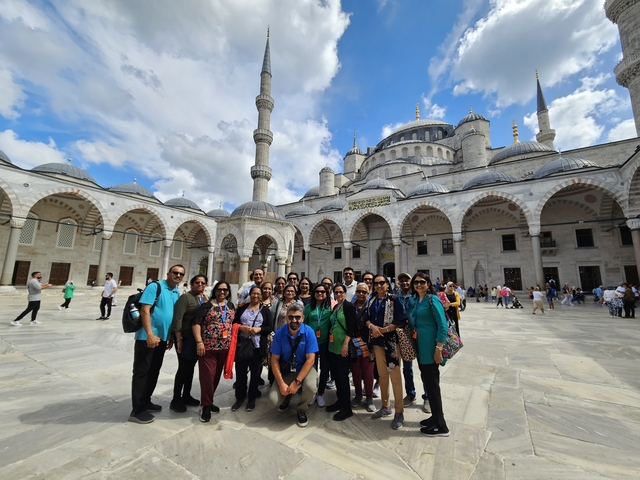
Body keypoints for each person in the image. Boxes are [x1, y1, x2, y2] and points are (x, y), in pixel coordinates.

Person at [129, 264, 184, 424]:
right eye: (175, 273)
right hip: (147, 338)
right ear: (168, 273)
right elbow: (145, 310)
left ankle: (145, 401)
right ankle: (136, 410)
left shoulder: (175, 291)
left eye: (181, 274)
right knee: (142, 372)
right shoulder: (155, 287)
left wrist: (171, 336)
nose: (178, 276)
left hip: (162, 339)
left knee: (154, 371)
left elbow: (171, 315)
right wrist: (150, 334)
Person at [408, 272, 450, 437]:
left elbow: (442, 326)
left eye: (422, 282)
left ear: (428, 283)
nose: (419, 285)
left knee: (432, 386)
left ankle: (441, 426)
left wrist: (438, 349)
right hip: (421, 349)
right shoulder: (417, 300)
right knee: (428, 383)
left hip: (432, 350)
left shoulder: (433, 299)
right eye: (416, 282)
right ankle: (435, 418)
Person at [364, 274, 408, 430]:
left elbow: (402, 319)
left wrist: (387, 329)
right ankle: (385, 406)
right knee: (382, 375)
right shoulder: (372, 300)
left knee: (395, 376)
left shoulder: (394, 299)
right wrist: (373, 328)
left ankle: (399, 411)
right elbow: (366, 318)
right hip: (377, 342)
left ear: (387, 284)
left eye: (381, 283)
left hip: (391, 343)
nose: (378, 285)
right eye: (376, 283)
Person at [268, 303, 319, 428]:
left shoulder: (309, 332)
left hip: (304, 368)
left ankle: (301, 409)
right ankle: (286, 397)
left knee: (311, 387)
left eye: (297, 317)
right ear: (286, 318)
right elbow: (274, 360)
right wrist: (281, 383)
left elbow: (311, 360)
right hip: (287, 369)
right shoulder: (279, 334)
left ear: (302, 318)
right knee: (273, 401)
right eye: (291, 317)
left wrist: (297, 382)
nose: (294, 320)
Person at [193, 281, 234, 422]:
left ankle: (208, 401)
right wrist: (199, 342)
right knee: (207, 377)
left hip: (224, 348)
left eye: (225, 290)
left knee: (216, 376)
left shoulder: (230, 306)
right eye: (219, 289)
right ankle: (205, 405)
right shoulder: (206, 305)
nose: (222, 292)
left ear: (228, 292)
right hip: (208, 347)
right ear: (215, 291)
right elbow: (196, 323)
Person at [170, 274, 208, 413]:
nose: (200, 285)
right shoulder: (185, 298)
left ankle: (186, 395)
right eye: (197, 282)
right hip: (185, 338)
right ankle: (175, 399)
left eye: (203, 283)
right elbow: (178, 319)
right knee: (183, 369)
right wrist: (178, 339)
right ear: (192, 284)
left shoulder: (203, 298)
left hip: (195, 339)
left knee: (190, 368)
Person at [232, 286, 273, 412]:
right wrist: (241, 328)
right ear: (250, 294)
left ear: (261, 296)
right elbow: (234, 323)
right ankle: (239, 397)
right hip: (242, 345)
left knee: (255, 374)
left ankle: (251, 398)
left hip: (257, 346)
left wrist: (259, 329)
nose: (256, 296)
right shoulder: (242, 308)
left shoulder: (265, 310)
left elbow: (270, 327)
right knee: (241, 372)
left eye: (258, 293)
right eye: (253, 293)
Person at [396, 272, 428, 412]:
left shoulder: (417, 297)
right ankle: (410, 394)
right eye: (401, 280)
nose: (404, 283)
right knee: (407, 367)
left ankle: (427, 397)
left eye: (407, 280)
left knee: (424, 366)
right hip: (404, 335)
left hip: (418, 334)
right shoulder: (395, 297)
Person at [325, 283, 357, 421]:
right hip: (333, 347)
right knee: (337, 376)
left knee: (343, 378)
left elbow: (352, 327)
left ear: (345, 293)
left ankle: (346, 407)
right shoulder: (335, 307)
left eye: (340, 292)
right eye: (336, 292)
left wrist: (345, 344)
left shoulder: (348, 306)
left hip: (342, 348)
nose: (338, 294)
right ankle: (340, 401)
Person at [304, 283, 333, 408]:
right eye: (317, 292)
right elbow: (303, 325)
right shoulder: (309, 308)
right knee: (312, 368)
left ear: (326, 294)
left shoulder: (329, 308)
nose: (320, 294)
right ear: (314, 294)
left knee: (325, 368)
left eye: (322, 292)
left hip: (325, 343)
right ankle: (313, 392)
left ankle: (320, 393)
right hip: (311, 344)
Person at [350, 282, 376, 412]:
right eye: (359, 291)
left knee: (368, 371)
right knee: (355, 370)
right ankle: (358, 394)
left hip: (367, 343)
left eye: (364, 292)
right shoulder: (351, 306)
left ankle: (369, 397)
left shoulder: (371, 306)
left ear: (368, 293)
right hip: (354, 343)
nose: (361, 294)